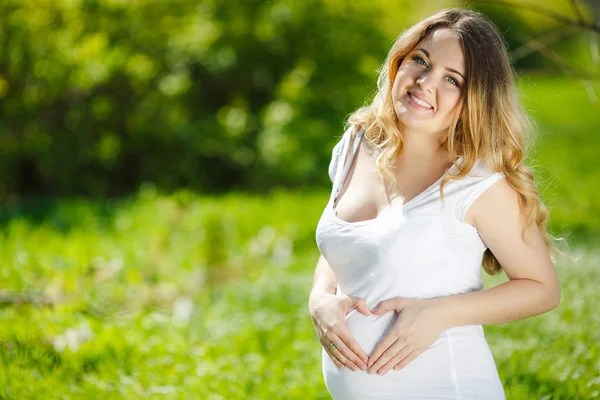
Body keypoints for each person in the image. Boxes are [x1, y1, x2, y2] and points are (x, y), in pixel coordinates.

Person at [308, 8, 563, 400]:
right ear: (399, 61)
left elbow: (542, 288)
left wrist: (441, 313)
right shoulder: (356, 144)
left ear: (474, 98)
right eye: (420, 61)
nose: (425, 83)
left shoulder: (476, 184)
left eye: (452, 79)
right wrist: (320, 298)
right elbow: (346, 245)